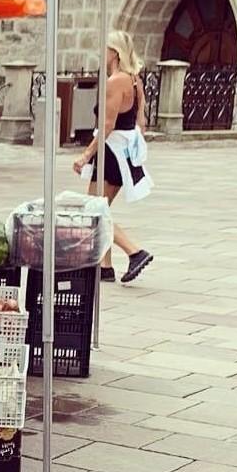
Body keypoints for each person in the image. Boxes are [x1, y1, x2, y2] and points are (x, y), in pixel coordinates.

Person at [74, 30, 153, 284]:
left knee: (94, 211)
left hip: (110, 153)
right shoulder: (134, 81)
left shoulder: (116, 82)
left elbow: (107, 125)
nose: (101, 52)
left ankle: (134, 251)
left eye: (104, 47)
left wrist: (86, 155)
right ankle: (104, 266)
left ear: (114, 53)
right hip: (123, 154)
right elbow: (141, 122)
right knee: (101, 209)